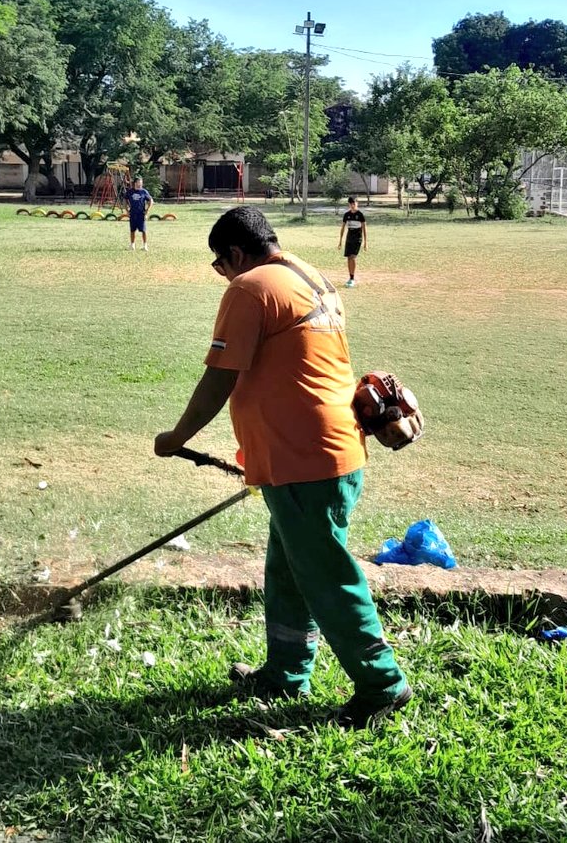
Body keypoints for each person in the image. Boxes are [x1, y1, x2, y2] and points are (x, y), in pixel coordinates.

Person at [153, 206, 411, 729]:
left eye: (220, 265)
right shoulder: (309, 274)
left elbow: (219, 380)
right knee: (290, 570)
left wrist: (176, 438)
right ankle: (288, 670)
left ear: (236, 255)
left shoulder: (250, 287)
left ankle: (382, 683)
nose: (222, 276)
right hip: (324, 452)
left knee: (326, 576)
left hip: (305, 459)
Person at [337, 195, 366, 287]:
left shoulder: (360, 215)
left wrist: (366, 242)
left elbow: (364, 228)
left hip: (357, 237)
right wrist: (340, 241)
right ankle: (350, 277)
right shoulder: (347, 215)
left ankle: (352, 279)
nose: (353, 205)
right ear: (349, 204)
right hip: (349, 236)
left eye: (354, 203)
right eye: (351, 204)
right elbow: (343, 228)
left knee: (353, 257)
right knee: (349, 258)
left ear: (357, 203)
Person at [127, 175, 153, 251]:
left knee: (143, 230)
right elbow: (124, 199)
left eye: (141, 183)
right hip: (132, 214)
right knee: (132, 230)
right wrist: (126, 209)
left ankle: (145, 246)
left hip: (141, 214)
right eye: (138, 182)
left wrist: (147, 211)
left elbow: (150, 201)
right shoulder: (130, 191)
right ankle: (132, 245)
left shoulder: (144, 192)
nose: (140, 184)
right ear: (135, 183)